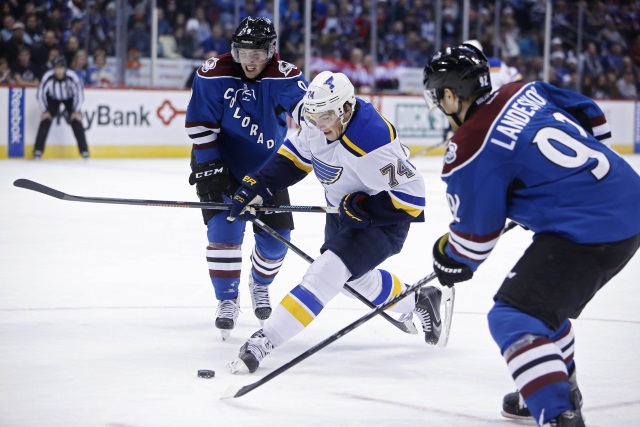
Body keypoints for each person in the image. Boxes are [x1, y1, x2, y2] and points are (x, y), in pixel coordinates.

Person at [422, 44, 640, 427]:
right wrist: (574, 184)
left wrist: (447, 257)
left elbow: (472, 245)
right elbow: (591, 112)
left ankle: (558, 415)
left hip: (592, 230)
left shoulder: (469, 145)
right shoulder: (524, 90)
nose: (439, 105)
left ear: (451, 95)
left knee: (513, 317)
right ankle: (558, 387)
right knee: (543, 308)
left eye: (438, 97)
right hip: (627, 194)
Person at [226, 71, 449, 375]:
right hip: (342, 211)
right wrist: (258, 185)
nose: (320, 125)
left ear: (346, 108)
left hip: (384, 220)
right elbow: (296, 157)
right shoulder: (316, 118)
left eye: (327, 117)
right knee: (350, 281)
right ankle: (420, 299)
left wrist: (365, 207)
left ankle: (264, 341)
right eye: (315, 117)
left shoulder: (373, 141)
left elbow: (412, 200)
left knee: (326, 272)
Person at [184, 17, 308, 341]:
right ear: (234, 50)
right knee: (224, 233)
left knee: (277, 241)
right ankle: (227, 299)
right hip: (221, 164)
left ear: (271, 52)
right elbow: (200, 127)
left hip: (267, 171)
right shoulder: (212, 74)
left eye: (258, 53)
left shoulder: (285, 77)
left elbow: (309, 116)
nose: (250, 60)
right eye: (244, 52)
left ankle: (259, 284)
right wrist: (213, 172)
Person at [33, 56, 89, 160]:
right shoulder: (48, 77)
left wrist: (75, 110)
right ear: (53, 68)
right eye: (57, 68)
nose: (59, 70)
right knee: (45, 120)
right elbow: (40, 94)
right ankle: (38, 151)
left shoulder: (72, 76)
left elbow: (79, 94)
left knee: (76, 121)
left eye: (61, 68)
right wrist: (45, 110)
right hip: (53, 99)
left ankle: (84, 151)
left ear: (65, 68)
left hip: (69, 99)